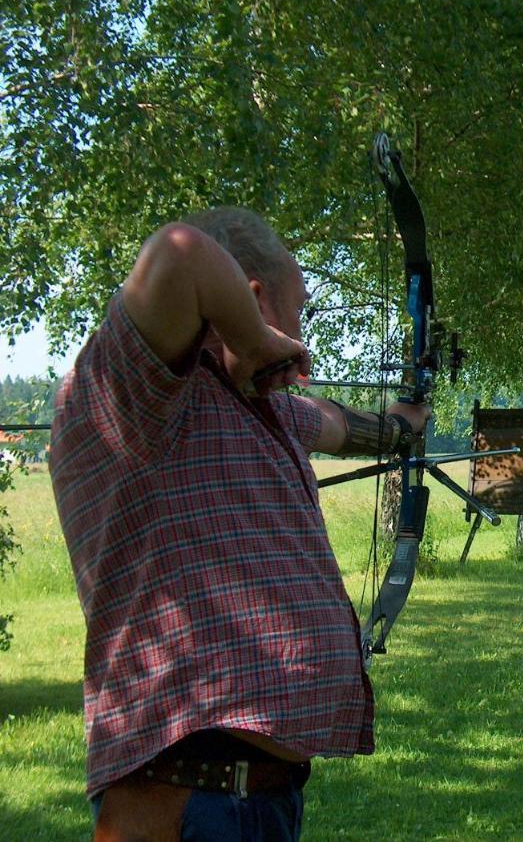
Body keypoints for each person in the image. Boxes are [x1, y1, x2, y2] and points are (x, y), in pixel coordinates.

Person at [50, 207, 430, 841]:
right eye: (298, 307)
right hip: (187, 802)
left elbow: (333, 423)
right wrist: (255, 339)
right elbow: (180, 252)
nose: (302, 334)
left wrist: (400, 425)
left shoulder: (259, 407)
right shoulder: (135, 390)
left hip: (250, 803)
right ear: (251, 298)